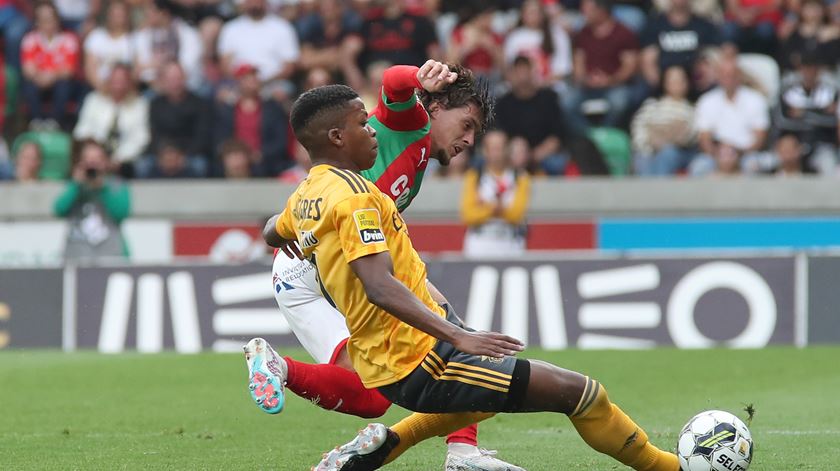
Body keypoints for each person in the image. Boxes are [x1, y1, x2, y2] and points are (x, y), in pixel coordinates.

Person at [259, 84, 680, 471]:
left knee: (489, 398)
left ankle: (385, 448)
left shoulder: (308, 193)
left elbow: (272, 230)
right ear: (336, 137)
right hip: (422, 360)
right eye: (362, 124)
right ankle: (671, 468)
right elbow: (380, 286)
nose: (372, 132)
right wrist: (459, 336)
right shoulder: (355, 199)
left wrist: (299, 236)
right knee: (583, 394)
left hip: (403, 353)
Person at [249, 62, 525, 471]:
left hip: (304, 271)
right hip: (328, 269)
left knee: (374, 396)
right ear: (434, 107)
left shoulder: (409, 160)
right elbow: (394, 82)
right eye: (466, 124)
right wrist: (421, 78)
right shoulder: (409, 124)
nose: (469, 139)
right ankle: (463, 454)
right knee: (459, 345)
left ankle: (279, 368)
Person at [54, 140, 131, 263]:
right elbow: (59, 210)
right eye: (88, 160)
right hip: (76, 258)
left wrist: (102, 188)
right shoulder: (75, 185)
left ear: (105, 162)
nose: (92, 166)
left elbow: (121, 214)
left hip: (110, 257)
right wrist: (76, 186)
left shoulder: (116, 185)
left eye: (96, 160)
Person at [461, 130, 530, 258]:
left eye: (499, 148)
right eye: (492, 148)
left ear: (507, 149)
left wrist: (484, 206)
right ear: (484, 150)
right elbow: (468, 215)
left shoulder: (520, 177)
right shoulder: (474, 177)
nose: (496, 153)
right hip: (479, 243)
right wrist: (494, 209)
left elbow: (517, 215)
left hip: (511, 243)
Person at [73, 63, 150, 178]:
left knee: (143, 166)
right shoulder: (93, 100)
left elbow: (140, 138)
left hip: (126, 159)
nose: (118, 84)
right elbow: (82, 130)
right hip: (94, 155)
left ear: (129, 83)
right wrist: (97, 154)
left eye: (122, 80)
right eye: (115, 80)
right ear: (108, 80)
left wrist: (118, 159)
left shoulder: (140, 104)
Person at [21, 1, 79, 130]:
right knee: (29, 85)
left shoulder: (69, 39)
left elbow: (69, 70)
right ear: (37, 22)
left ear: (57, 20)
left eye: (50, 19)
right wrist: (41, 77)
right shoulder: (30, 39)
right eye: (42, 19)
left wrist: (51, 76)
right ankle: (36, 122)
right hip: (38, 82)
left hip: (58, 84)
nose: (47, 23)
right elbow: (28, 69)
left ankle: (55, 123)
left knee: (64, 85)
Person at [631, 65, 697, 176]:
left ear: (687, 83)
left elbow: (688, 135)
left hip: (678, 153)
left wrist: (657, 132)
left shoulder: (692, 110)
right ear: (665, 83)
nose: (676, 83)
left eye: (679, 80)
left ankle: (658, 192)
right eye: (672, 80)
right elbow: (638, 129)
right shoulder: (651, 105)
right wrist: (655, 139)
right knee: (641, 158)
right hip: (649, 150)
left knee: (668, 153)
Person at [83, 0, 134, 92]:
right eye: (113, 14)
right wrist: (103, 89)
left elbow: (135, 71)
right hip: (98, 89)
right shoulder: (95, 36)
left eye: (120, 14)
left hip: (126, 92)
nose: (116, 18)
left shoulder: (133, 39)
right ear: (107, 15)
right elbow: (90, 69)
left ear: (127, 16)